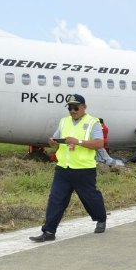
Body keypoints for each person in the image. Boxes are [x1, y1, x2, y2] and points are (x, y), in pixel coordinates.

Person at [29, 94, 108, 242]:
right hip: (63, 168)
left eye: (75, 107)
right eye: (70, 108)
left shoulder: (93, 122)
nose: (72, 110)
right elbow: (56, 140)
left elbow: (99, 143)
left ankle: (101, 219)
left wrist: (77, 141)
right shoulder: (64, 122)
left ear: (84, 107)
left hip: (83, 169)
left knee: (90, 198)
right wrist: (53, 142)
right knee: (55, 199)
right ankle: (49, 231)